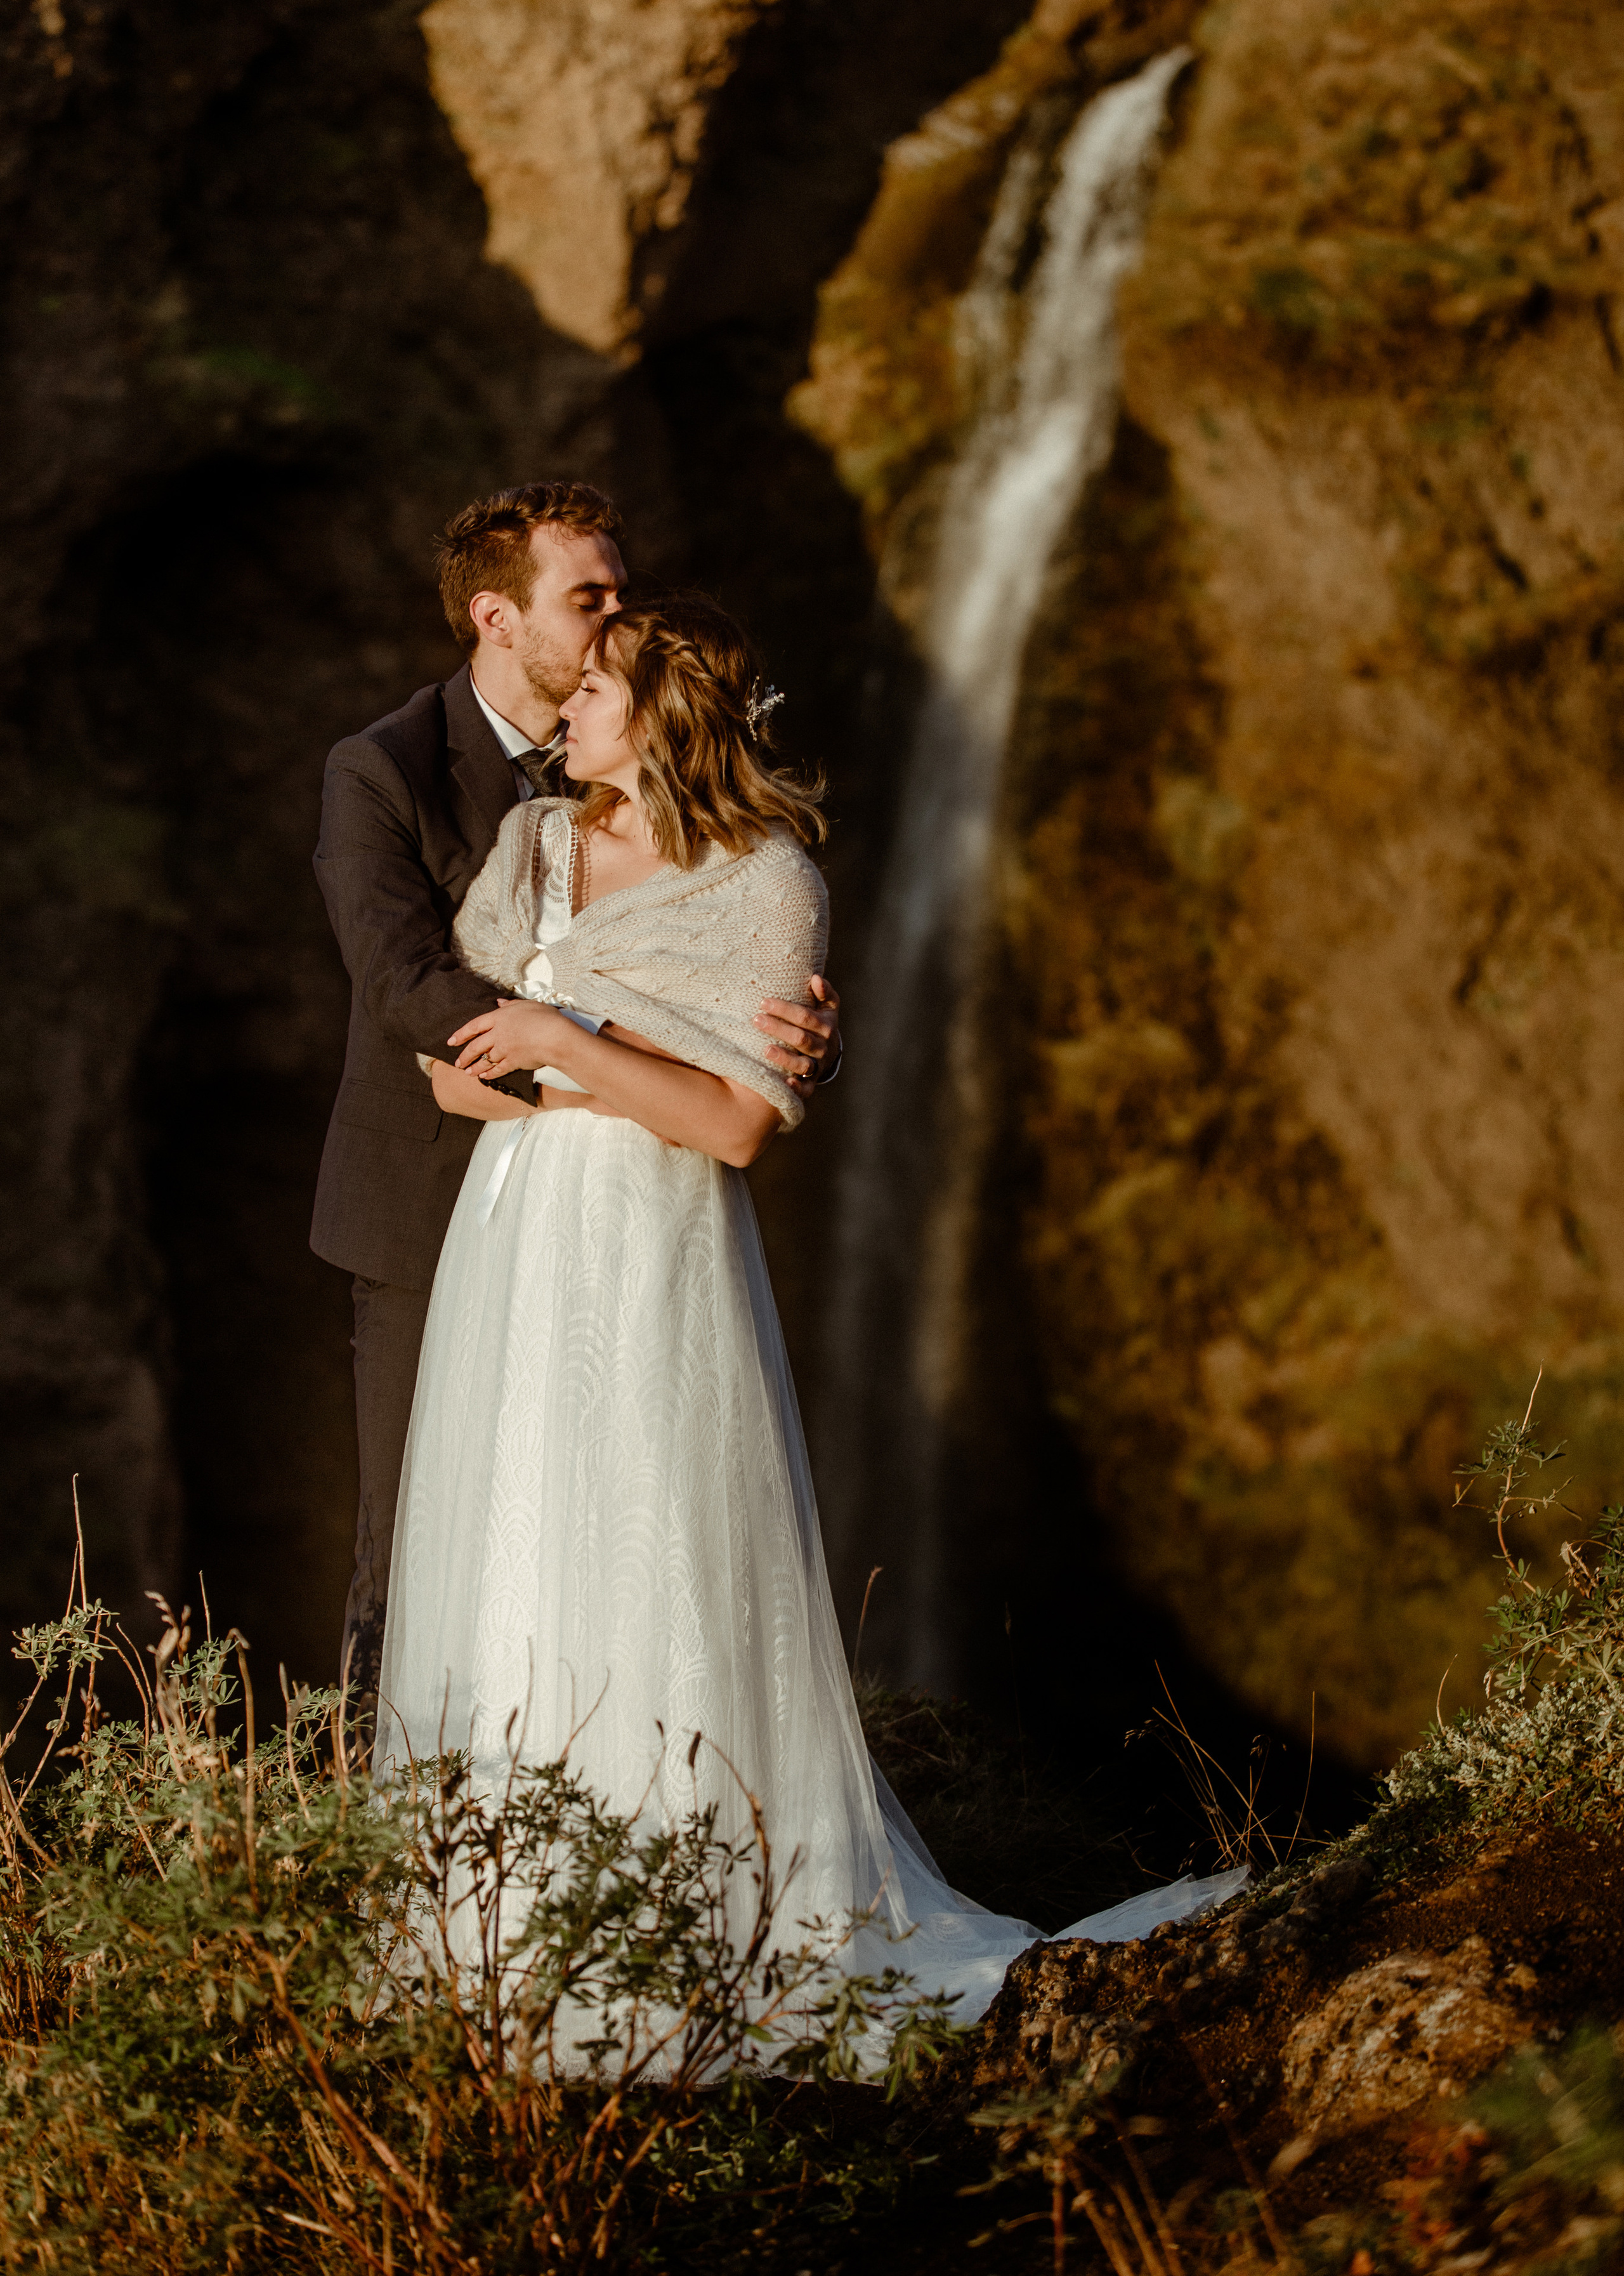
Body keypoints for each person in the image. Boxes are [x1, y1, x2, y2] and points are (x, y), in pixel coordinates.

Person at [374, 588, 1243, 2043]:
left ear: (662, 714)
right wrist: (552, 1053)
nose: (567, 710)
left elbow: (726, 1129)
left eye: (593, 692)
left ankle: (688, 1907)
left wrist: (564, 1040)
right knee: (510, 1522)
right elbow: (450, 1078)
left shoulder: (767, 883)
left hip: (650, 1246)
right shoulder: (531, 849)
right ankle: (508, 1931)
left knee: (650, 1528)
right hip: (514, 1236)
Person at [310, 486, 839, 1742]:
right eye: (587, 598)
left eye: (618, 592)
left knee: (637, 1524)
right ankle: (375, 1861)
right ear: (499, 617)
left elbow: (729, 991)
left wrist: (794, 1044)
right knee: (424, 1549)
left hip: (626, 1210)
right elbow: (406, 988)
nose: (614, 614)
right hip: (434, 1197)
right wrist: (573, 1055)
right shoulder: (383, 771)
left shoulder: (705, 833)